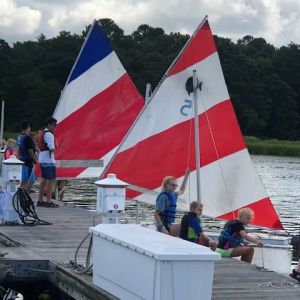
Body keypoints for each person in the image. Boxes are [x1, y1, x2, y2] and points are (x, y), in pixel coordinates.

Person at [154, 168, 190, 236]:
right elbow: (156, 214)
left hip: (169, 225)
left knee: (188, 226)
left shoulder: (173, 194)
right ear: (166, 184)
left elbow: (182, 190)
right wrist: (162, 228)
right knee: (185, 228)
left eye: (176, 185)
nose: (175, 187)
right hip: (163, 227)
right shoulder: (163, 197)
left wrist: (186, 176)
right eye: (173, 185)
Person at [37, 117, 58, 208]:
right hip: (48, 160)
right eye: (54, 125)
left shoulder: (44, 132)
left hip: (42, 159)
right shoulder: (49, 135)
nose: (55, 127)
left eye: (56, 125)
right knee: (51, 180)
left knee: (44, 179)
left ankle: (40, 200)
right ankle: (49, 201)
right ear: (49, 124)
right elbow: (51, 148)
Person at [17, 121, 38, 192]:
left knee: (24, 181)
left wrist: (18, 159)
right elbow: (30, 151)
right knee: (30, 180)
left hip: (22, 161)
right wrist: (35, 160)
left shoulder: (19, 137)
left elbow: (19, 150)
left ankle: (21, 195)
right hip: (28, 162)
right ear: (28, 128)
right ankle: (25, 196)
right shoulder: (27, 138)